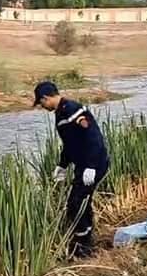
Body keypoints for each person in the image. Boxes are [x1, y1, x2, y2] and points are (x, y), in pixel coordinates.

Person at [33, 81, 110, 258]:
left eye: (41, 103)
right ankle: (86, 241)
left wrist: (90, 165)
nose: (42, 107)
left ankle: (83, 246)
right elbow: (70, 144)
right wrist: (62, 165)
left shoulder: (72, 110)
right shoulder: (61, 113)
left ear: (46, 98)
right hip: (83, 165)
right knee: (81, 201)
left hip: (94, 164)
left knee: (76, 203)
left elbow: (93, 137)